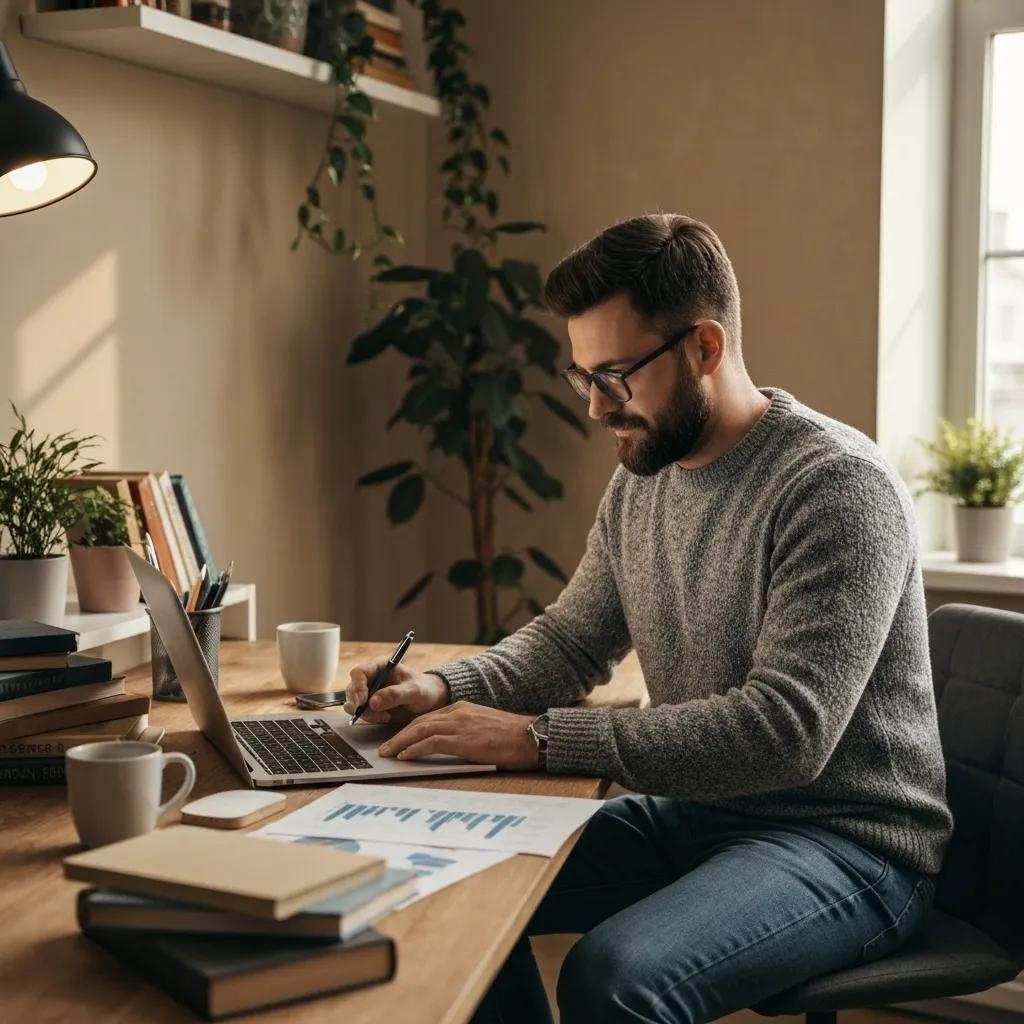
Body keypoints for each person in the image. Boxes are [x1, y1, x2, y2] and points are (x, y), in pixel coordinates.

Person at [343, 214, 954, 1024]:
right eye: (584, 377)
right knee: (447, 879)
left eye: (616, 375)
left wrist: (537, 740)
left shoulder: (838, 489)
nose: (598, 409)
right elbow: (568, 642)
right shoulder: (645, 478)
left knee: (614, 978)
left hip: (850, 844)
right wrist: (439, 686)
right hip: (699, 815)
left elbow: (786, 732)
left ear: (705, 347)